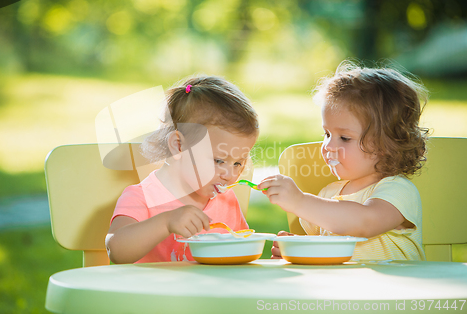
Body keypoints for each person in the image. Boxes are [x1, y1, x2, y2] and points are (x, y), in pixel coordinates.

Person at [259, 61, 429, 261]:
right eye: (327, 133)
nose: (328, 146)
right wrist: (299, 248)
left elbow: (365, 223)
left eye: (344, 138)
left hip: (400, 290)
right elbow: (326, 251)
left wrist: (300, 201)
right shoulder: (328, 195)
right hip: (342, 291)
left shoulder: (398, 190)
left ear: (385, 145)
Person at [106, 75, 259, 264]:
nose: (231, 175)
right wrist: (165, 222)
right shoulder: (142, 197)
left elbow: (240, 255)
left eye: (238, 163)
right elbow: (116, 250)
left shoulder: (226, 201)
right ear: (179, 146)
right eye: (219, 160)